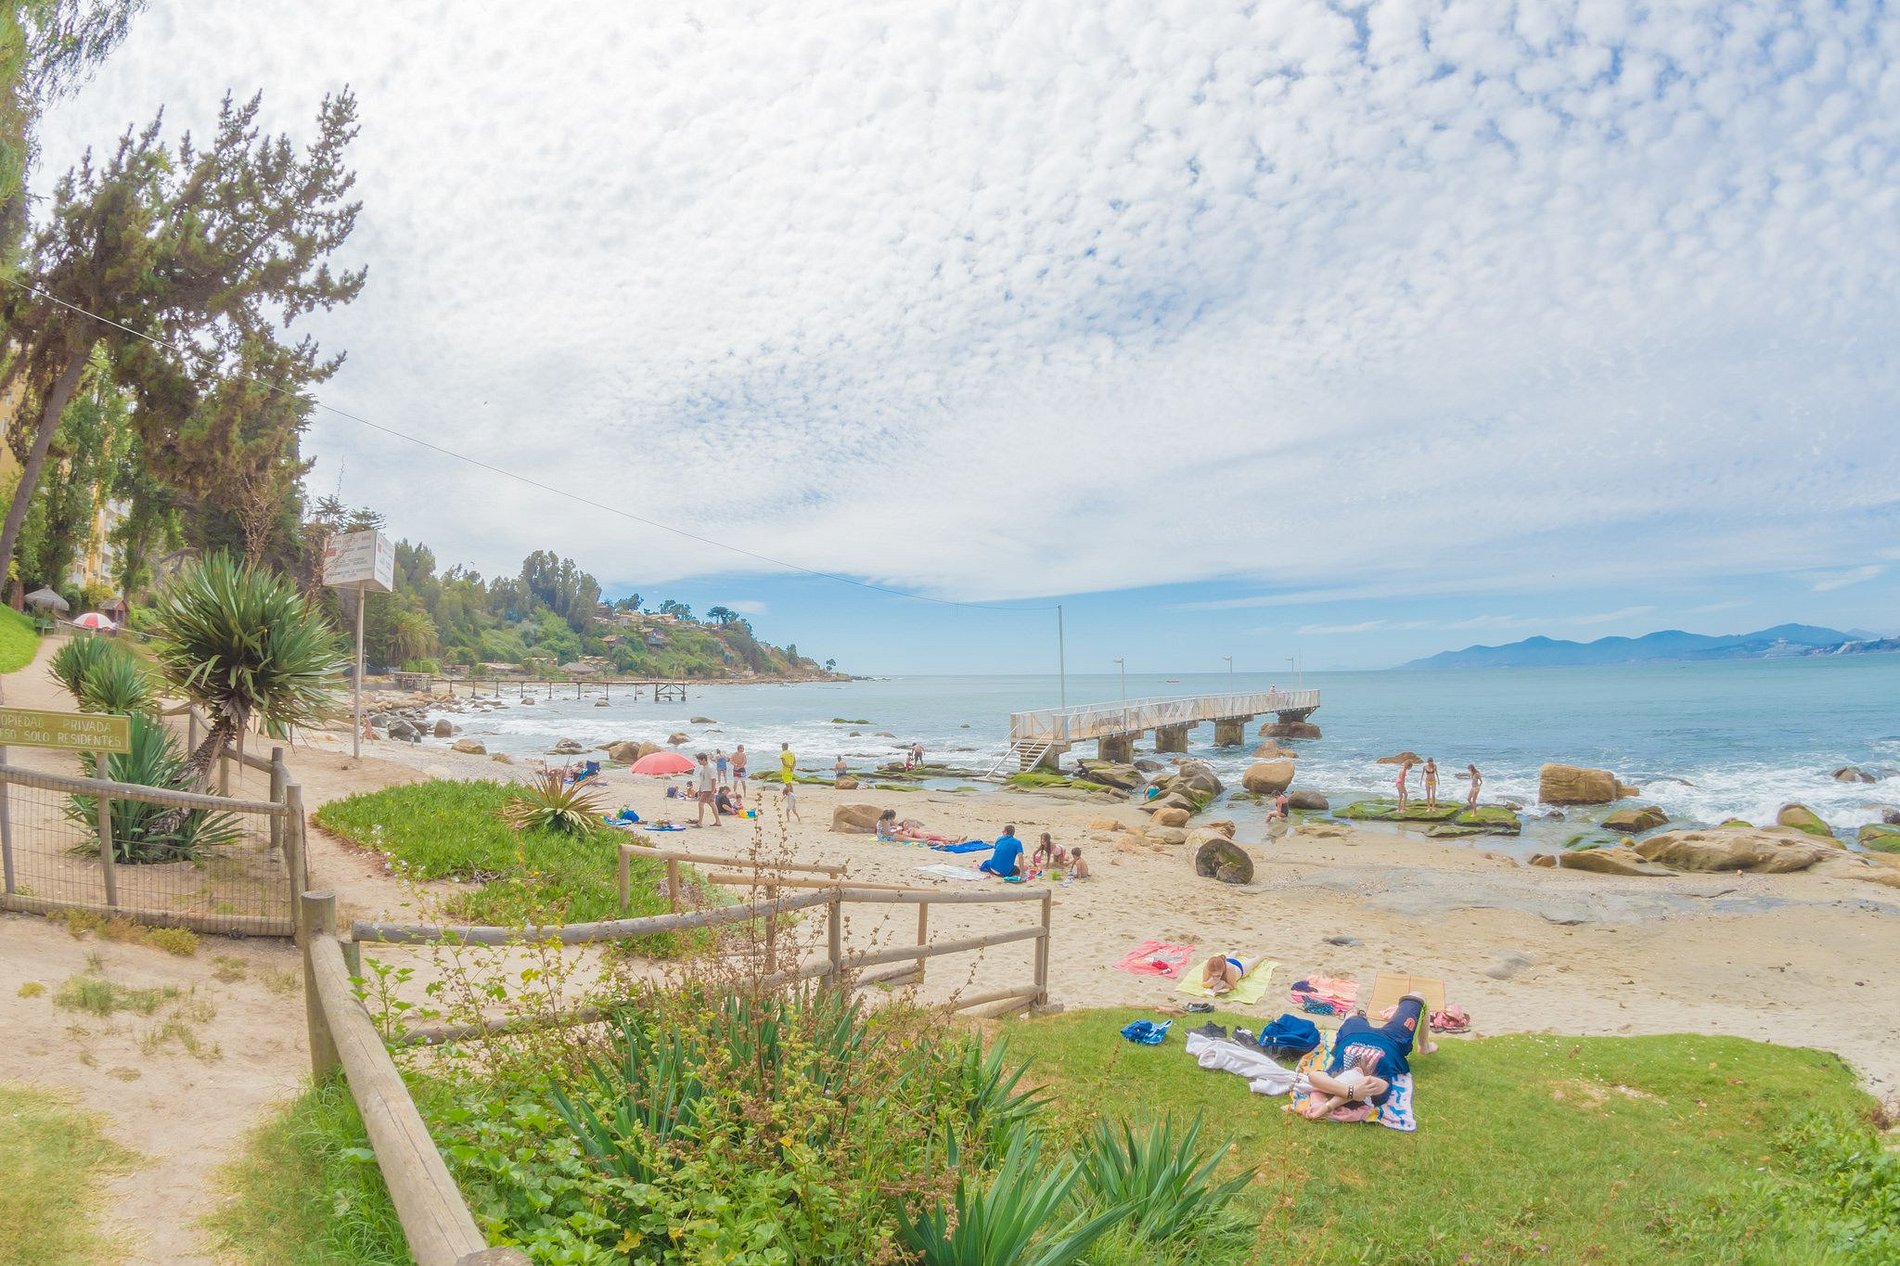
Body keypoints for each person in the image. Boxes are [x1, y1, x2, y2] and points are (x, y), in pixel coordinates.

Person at [1299, 993, 1436, 1120]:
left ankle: (1360, 1016)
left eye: (1349, 1075)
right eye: (1357, 1077)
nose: (1357, 1070)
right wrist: (1352, 1093)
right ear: (1362, 1095)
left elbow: (1313, 1077)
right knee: (1417, 996)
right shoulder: (1376, 1093)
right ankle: (1424, 1047)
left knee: (1353, 1013)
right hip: (1393, 1040)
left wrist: (1343, 1094)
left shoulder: (1335, 1078)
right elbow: (1369, 1081)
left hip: (1353, 1034)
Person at [1200, 953, 1267, 996]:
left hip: (1240, 967)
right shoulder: (1207, 967)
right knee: (1230, 957)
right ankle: (1234, 952)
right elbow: (1203, 983)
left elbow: (1233, 986)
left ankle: (1261, 956)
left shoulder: (1230, 969)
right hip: (1228, 960)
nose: (1215, 976)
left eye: (1218, 975)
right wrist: (1210, 982)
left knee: (1255, 961)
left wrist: (1224, 983)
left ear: (1222, 970)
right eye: (1213, 975)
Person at [694, 753, 721, 827]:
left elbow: (713, 779)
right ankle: (718, 821)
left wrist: (712, 791)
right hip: (705, 788)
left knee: (700, 804)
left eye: (699, 760)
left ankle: (700, 823)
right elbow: (703, 779)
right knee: (712, 804)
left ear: (703, 759)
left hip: (708, 789)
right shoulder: (703, 768)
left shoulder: (710, 767)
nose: (698, 762)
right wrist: (700, 789)